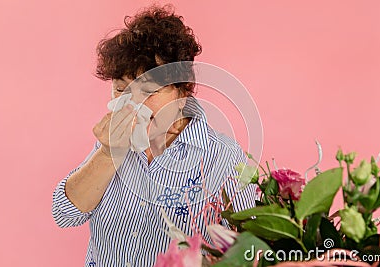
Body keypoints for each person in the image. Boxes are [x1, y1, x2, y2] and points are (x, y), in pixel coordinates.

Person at [52, 5, 257, 267]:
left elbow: (248, 246)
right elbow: (65, 214)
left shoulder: (223, 157)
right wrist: (107, 152)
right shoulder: (112, 143)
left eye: (149, 90)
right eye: (121, 89)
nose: (133, 104)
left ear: (183, 92)